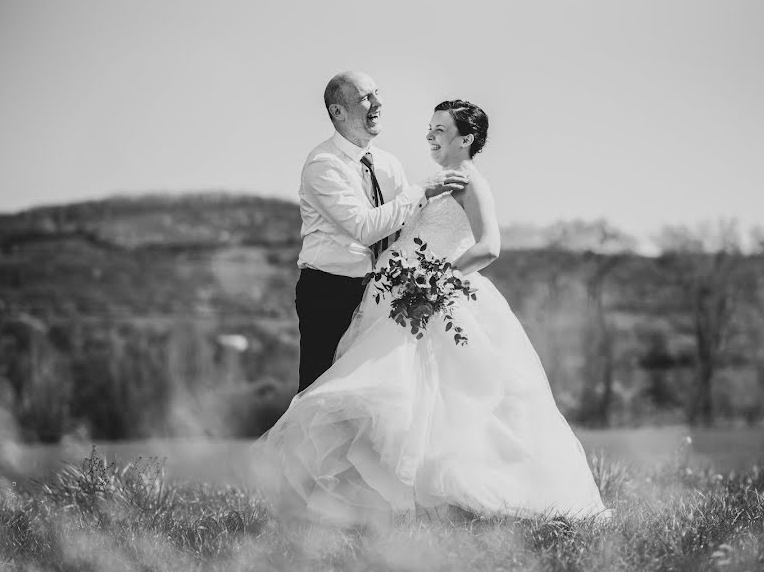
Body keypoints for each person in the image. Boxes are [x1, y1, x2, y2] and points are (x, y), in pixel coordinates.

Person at [255, 99, 608, 524]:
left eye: (440, 130)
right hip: (399, 303)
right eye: (430, 129)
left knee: (449, 402)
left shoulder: (471, 183)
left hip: (438, 300)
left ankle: (463, 504)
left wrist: (436, 282)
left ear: (466, 139)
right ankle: (390, 511)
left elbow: (489, 246)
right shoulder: (433, 182)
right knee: (405, 403)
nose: (430, 136)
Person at [295, 71, 469, 393]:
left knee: (371, 398)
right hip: (329, 293)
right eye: (366, 98)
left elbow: (406, 223)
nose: (378, 103)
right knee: (318, 398)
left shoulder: (388, 163)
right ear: (338, 111)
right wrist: (421, 189)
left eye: (377, 93)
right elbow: (365, 228)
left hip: (379, 294)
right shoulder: (323, 164)